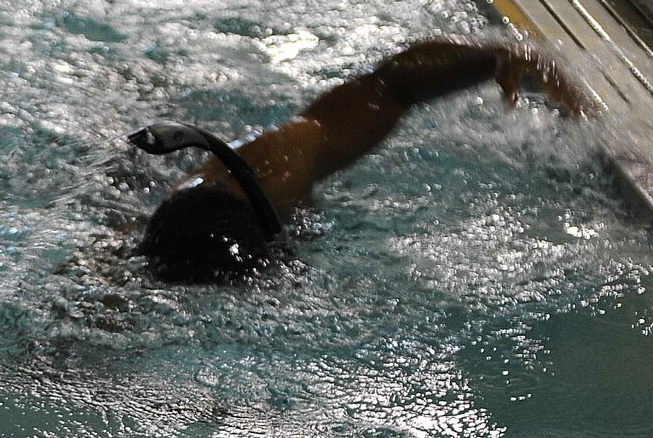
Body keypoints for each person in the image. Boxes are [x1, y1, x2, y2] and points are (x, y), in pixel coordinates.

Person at [134, 36, 586, 282]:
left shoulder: (277, 164)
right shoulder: (282, 161)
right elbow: (388, 88)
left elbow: (390, 87)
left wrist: (501, 58)